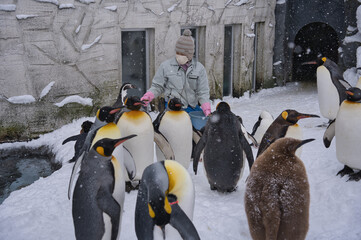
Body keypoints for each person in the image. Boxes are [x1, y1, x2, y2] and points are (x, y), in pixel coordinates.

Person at [140, 29, 211, 116]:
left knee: (200, 127)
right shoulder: (166, 66)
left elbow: (203, 91)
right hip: (173, 108)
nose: (179, 56)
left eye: (182, 54)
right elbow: (157, 86)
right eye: (177, 52)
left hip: (192, 107)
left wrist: (206, 108)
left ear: (189, 55)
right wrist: (148, 96)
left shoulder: (199, 68)